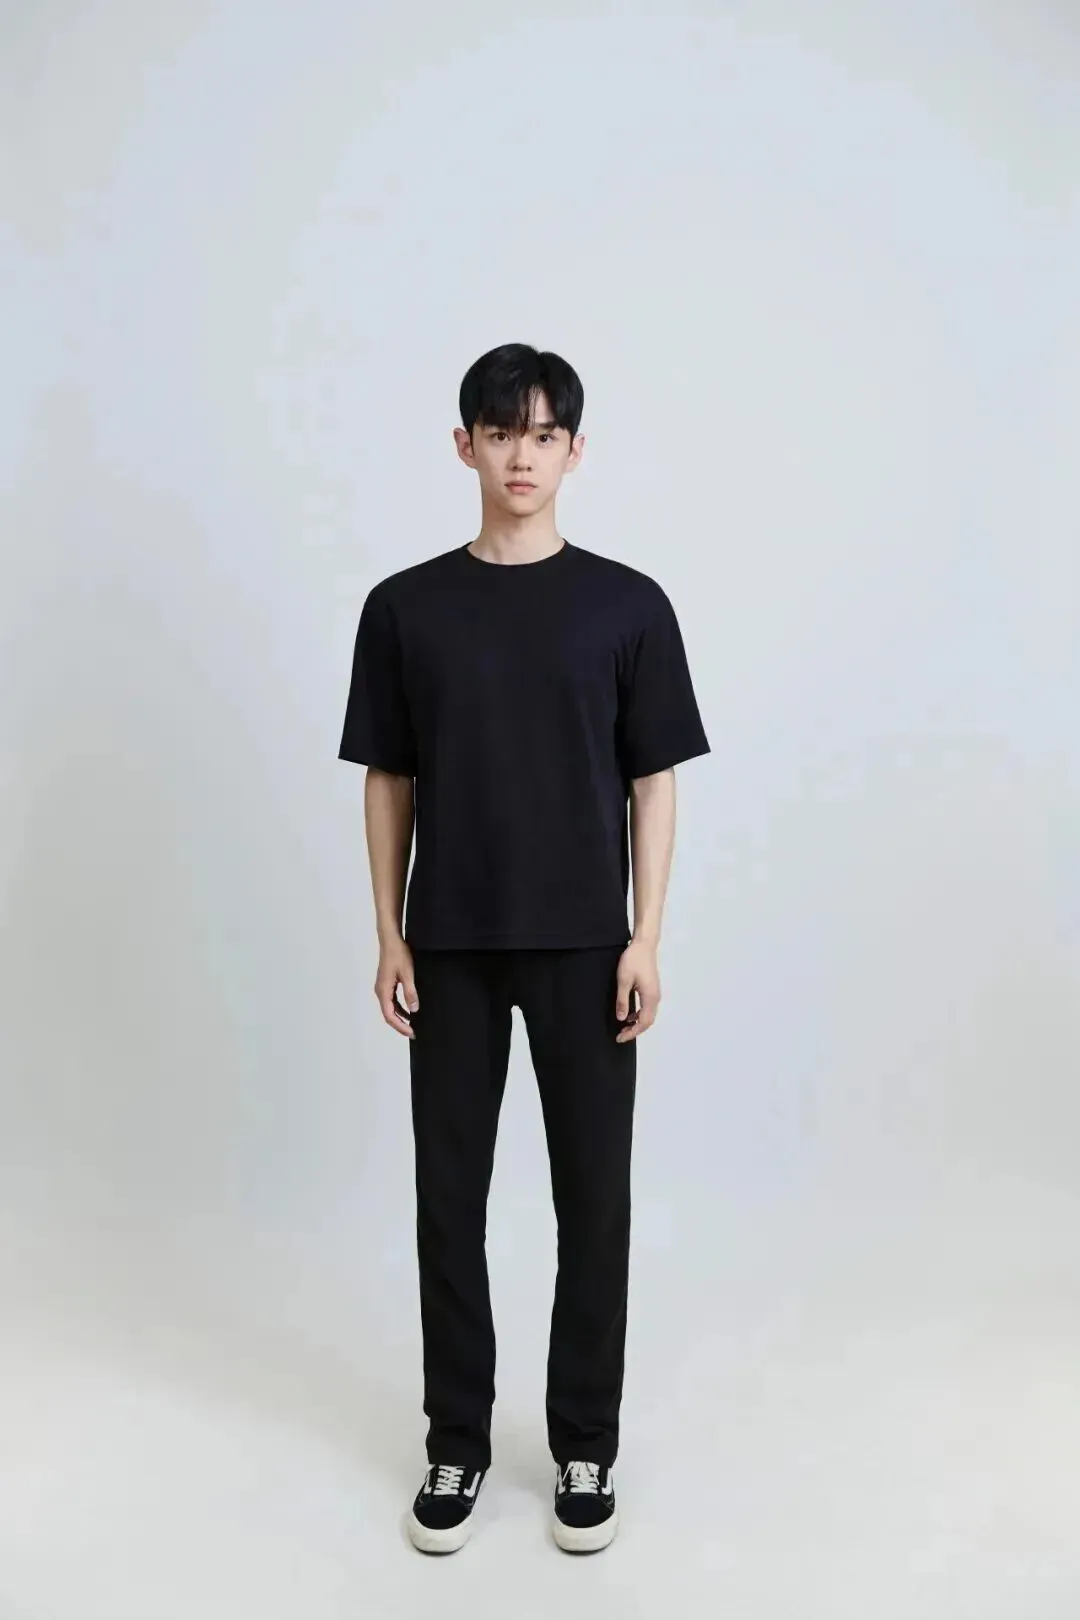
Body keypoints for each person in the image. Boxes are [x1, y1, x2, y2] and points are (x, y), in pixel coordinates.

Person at [338, 343, 710, 1555]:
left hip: (587, 947)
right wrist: (389, 931)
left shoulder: (628, 605)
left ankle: (584, 1443)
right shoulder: (405, 608)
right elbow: (388, 777)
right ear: (465, 445)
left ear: (575, 452)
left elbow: (653, 781)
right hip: (449, 942)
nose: (522, 455)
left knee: (592, 1203)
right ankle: (456, 1442)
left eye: (544, 435)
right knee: (448, 1203)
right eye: (501, 432)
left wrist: (646, 935)